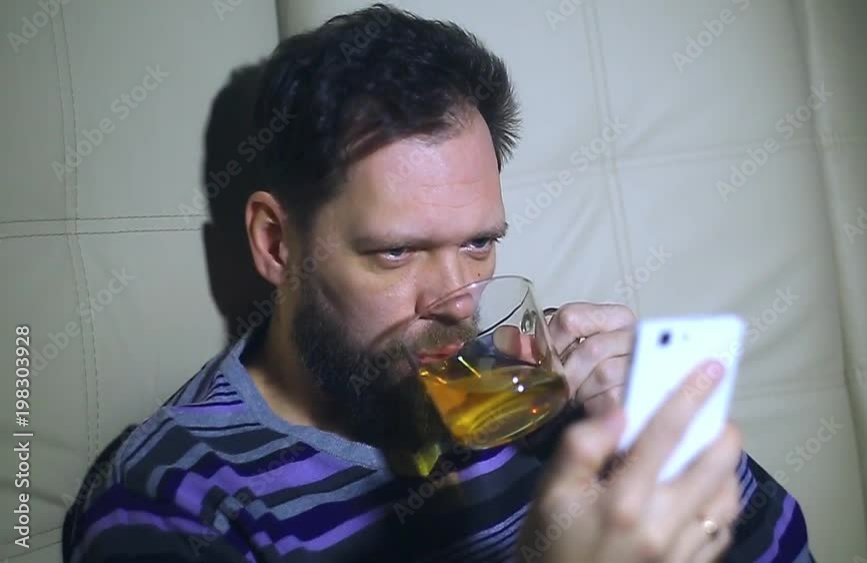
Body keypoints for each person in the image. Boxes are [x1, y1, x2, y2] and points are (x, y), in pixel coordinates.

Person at [63, 4, 813, 562]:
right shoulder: (171, 499)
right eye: (396, 252)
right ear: (276, 243)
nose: (458, 300)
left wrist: (668, 449)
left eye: (480, 241)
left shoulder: (526, 395)